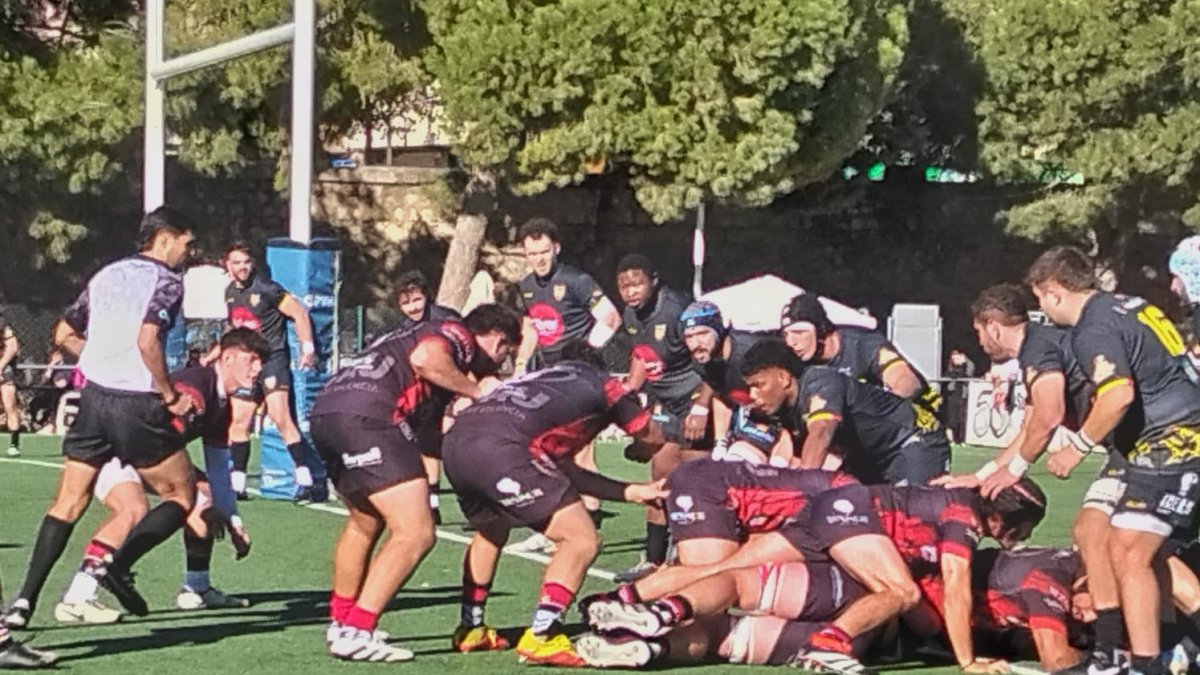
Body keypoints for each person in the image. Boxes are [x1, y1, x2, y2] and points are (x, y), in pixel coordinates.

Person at [2, 207, 200, 626]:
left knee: (67, 503)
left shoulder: (106, 274)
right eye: (187, 243)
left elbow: (64, 334)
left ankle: (22, 604)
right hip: (137, 404)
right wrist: (169, 395)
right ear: (165, 238)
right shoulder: (167, 281)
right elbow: (148, 340)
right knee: (184, 495)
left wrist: (103, 359)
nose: (189, 252)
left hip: (92, 400)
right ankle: (117, 565)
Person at [1027, 246, 1200, 675]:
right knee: (1127, 546)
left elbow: (1118, 394)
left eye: (1040, 299)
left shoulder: (1094, 326)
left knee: (1127, 549)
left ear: (1054, 291)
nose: (1043, 310)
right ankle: (1141, 660)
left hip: (1173, 440)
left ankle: (1144, 664)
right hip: (1167, 438)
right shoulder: (1129, 304)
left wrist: (1077, 446)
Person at [314, 304, 520, 662]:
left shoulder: (412, 346)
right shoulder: (458, 335)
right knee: (416, 533)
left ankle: (342, 621)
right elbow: (426, 359)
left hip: (328, 411)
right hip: (370, 415)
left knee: (365, 521)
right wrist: (478, 392)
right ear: (498, 339)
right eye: (505, 354)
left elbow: (428, 438)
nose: (500, 364)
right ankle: (358, 631)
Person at [442, 341, 666, 666]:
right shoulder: (602, 383)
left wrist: (630, 491)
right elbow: (653, 436)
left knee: (492, 529)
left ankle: (471, 628)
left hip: (457, 443)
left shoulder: (539, 381)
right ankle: (542, 636)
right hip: (504, 449)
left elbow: (563, 471)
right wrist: (642, 449)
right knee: (581, 540)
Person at [43, 328, 267, 624]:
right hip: (112, 452)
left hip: (147, 456)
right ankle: (77, 597)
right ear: (227, 358)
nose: (258, 369)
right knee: (132, 509)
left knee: (204, 499)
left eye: (261, 361)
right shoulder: (195, 387)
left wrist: (232, 520)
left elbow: (217, 468)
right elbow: (154, 430)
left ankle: (196, 587)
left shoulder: (220, 402)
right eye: (251, 360)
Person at [510, 217, 622, 552]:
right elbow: (531, 327)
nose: (539, 259)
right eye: (532, 253)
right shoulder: (526, 285)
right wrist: (520, 366)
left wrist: (585, 351)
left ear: (556, 248)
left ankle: (586, 526)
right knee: (547, 447)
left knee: (580, 446)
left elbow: (611, 316)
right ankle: (555, 524)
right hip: (548, 375)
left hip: (579, 373)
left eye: (544, 251)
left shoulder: (576, 280)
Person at [613, 253, 710, 582]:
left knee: (694, 482)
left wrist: (702, 407)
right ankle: (653, 560)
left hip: (695, 401)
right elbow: (642, 354)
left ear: (653, 281)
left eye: (637, 284)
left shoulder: (677, 310)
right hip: (666, 403)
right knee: (659, 478)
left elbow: (711, 360)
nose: (631, 292)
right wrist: (630, 388)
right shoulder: (631, 314)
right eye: (624, 286)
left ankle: (694, 559)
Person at [741, 339, 951, 485]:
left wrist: (801, 486)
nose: (752, 395)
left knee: (913, 516)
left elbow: (821, 432)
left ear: (783, 378)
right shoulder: (778, 409)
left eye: (758, 385)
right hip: (869, 457)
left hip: (914, 438)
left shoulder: (821, 382)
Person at [222, 242, 320, 502]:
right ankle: (238, 484)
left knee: (280, 417)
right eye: (236, 262)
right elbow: (233, 328)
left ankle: (305, 481)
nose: (242, 267)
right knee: (239, 421)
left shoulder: (268, 288)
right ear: (227, 265)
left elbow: (299, 313)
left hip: (272, 360)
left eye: (246, 262)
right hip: (245, 365)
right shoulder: (230, 292)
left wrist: (307, 348)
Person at [780, 292, 942, 416]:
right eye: (785, 334)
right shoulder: (794, 360)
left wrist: (871, 412)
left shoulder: (863, 344)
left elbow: (907, 383)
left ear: (821, 329)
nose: (791, 342)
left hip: (920, 422)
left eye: (799, 332)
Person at [392, 270, 463, 524]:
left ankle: (473, 499)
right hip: (428, 393)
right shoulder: (404, 329)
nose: (413, 307)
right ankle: (432, 505)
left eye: (417, 300)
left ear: (427, 296)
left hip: (456, 387)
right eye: (406, 303)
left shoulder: (447, 319)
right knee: (427, 444)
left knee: (457, 446)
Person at [679, 300, 773, 453]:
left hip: (777, 417)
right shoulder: (703, 359)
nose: (695, 344)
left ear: (719, 332)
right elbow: (722, 393)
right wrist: (720, 443)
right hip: (747, 412)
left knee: (740, 455)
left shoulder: (752, 354)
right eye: (689, 337)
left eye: (703, 334)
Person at [0, 308, 21, 457]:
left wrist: (0, 367)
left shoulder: (3, 325)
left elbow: (12, 347)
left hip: (4, 369)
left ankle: (14, 444)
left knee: (10, 404)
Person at [943, 349, 975, 443]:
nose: (955, 360)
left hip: (963, 394)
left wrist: (964, 363)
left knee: (962, 417)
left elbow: (969, 373)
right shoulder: (950, 368)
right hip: (952, 394)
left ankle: (961, 439)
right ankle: (951, 438)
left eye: (957, 357)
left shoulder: (968, 365)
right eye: (953, 358)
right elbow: (947, 377)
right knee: (951, 417)